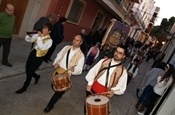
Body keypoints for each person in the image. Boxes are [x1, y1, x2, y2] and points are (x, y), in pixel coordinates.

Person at [43, 34, 85, 113]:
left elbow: (80, 69)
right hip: (58, 71)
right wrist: (56, 63)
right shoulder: (66, 48)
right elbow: (59, 56)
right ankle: (61, 93)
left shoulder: (81, 55)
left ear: (81, 42)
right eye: (74, 39)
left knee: (58, 92)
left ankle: (49, 105)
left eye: (77, 40)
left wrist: (74, 69)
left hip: (66, 76)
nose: (74, 41)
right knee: (53, 86)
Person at [84, 44, 128, 114]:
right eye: (116, 51)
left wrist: (113, 91)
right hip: (92, 90)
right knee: (87, 111)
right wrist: (89, 84)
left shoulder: (123, 71)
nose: (117, 54)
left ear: (124, 56)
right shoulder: (104, 61)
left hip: (105, 95)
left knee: (96, 112)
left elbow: (121, 87)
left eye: (120, 53)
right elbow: (93, 72)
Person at [15, 23, 53, 94]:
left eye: (45, 29)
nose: (43, 29)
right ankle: (36, 76)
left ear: (49, 31)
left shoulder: (50, 41)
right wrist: (30, 35)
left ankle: (24, 87)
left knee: (29, 72)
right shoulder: (39, 35)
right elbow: (29, 40)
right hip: (32, 54)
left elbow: (42, 47)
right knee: (27, 69)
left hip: (38, 57)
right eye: (43, 28)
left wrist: (39, 37)